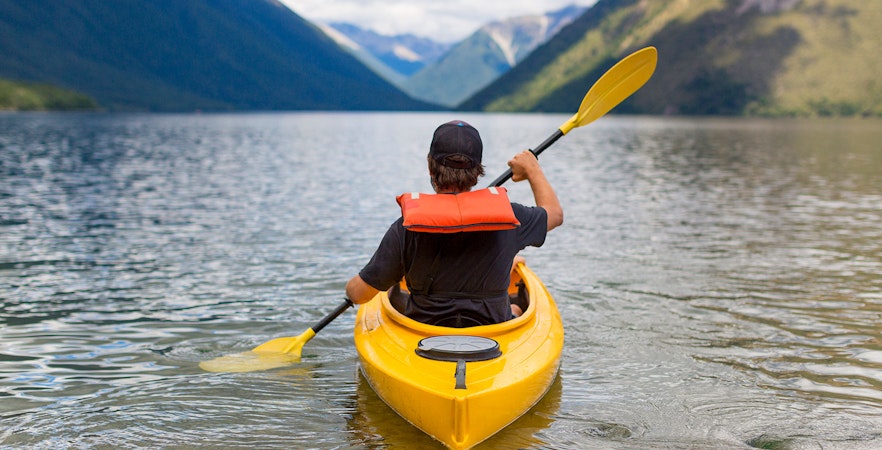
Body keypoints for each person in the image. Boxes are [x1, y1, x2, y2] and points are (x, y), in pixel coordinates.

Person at [345, 120, 563, 327]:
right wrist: (532, 169)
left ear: (430, 167)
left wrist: (357, 285)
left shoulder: (406, 227)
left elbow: (358, 294)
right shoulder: (511, 217)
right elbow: (554, 214)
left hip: (425, 333)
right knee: (515, 308)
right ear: (478, 173)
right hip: (492, 332)